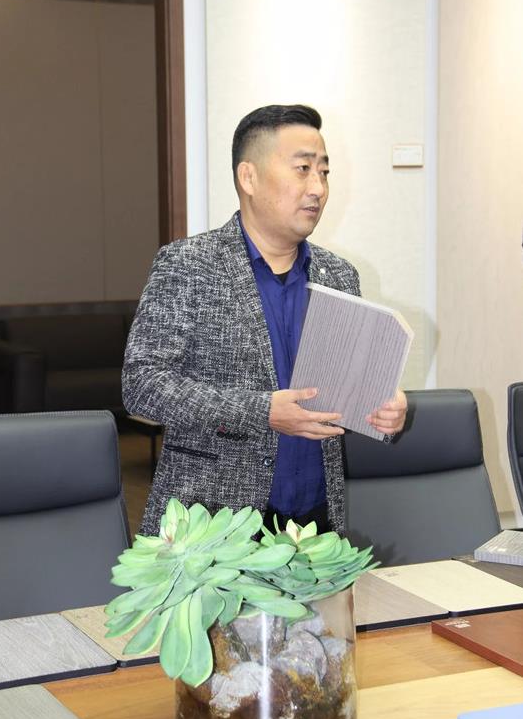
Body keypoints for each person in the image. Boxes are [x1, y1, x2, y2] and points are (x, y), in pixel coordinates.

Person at [123, 104, 407, 536]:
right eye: (303, 169)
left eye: (324, 172)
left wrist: (383, 406)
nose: (318, 188)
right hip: (214, 525)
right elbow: (143, 385)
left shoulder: (338, 276)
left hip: (315, 524)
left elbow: (343, 392)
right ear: (249, 177)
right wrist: (262, 412)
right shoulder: (188, 264)